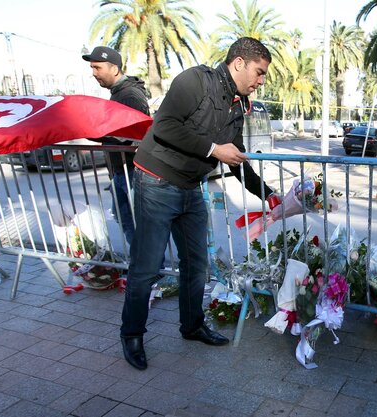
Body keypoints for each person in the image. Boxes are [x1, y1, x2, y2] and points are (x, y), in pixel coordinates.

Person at [120, 37, 280, 370]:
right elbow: (163, 127)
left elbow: (235, 158)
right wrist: (212, 149)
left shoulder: (240, 105)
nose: (261, 81)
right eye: (259, 72)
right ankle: (132, 334)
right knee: (147, 267)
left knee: (197, 265)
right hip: (156, 181)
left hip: (190, 188)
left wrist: (269, 195)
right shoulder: (195, 81)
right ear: (239, 63)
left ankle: (192, 326)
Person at [82, 46, 149, 245]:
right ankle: (143, 265)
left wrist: (95, 133)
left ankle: (148, 269)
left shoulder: (129, 96)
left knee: (137, 225)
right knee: (127, 221)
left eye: (97, 68)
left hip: (131, 171)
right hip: (122, 172)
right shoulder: (120, 93)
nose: (94, 73)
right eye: (92, 68)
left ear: (114, 69)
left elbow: (135, 134)